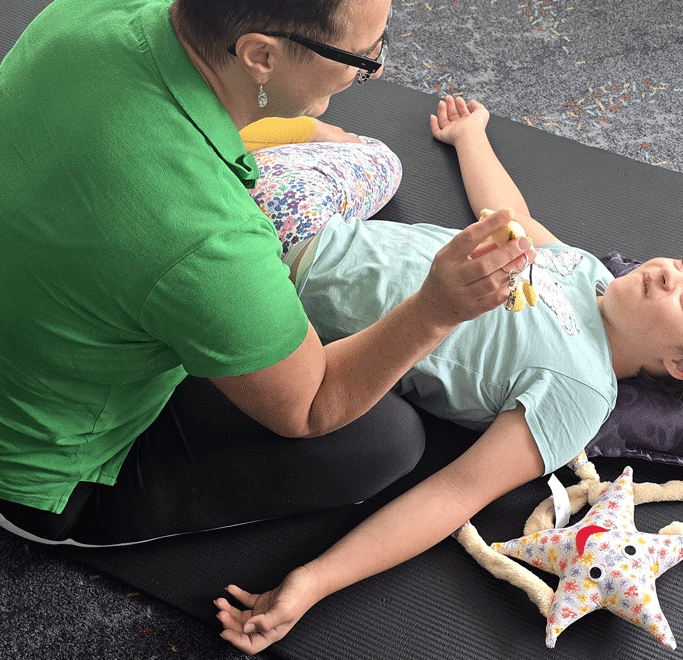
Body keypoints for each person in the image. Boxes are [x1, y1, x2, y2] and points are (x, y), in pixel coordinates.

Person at [214, 94, 683, 653]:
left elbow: (453, 495)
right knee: (377, 159)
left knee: (217, 182)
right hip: (323, 224)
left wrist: (314, 581)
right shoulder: (587, 273)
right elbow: (510, 218)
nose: (671, 274)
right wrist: (470, 137)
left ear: (681, 365)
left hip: (284, 283)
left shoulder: (580, 393)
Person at [0, 0, 536, 546]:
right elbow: (311, 406)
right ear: (260, 55)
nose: (376, 71)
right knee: (384, 440)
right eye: (364, 57)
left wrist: (302, 125)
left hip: (44, 295)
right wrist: (436, 311)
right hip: (37, 472)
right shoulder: (210, 237)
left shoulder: (85, 12)